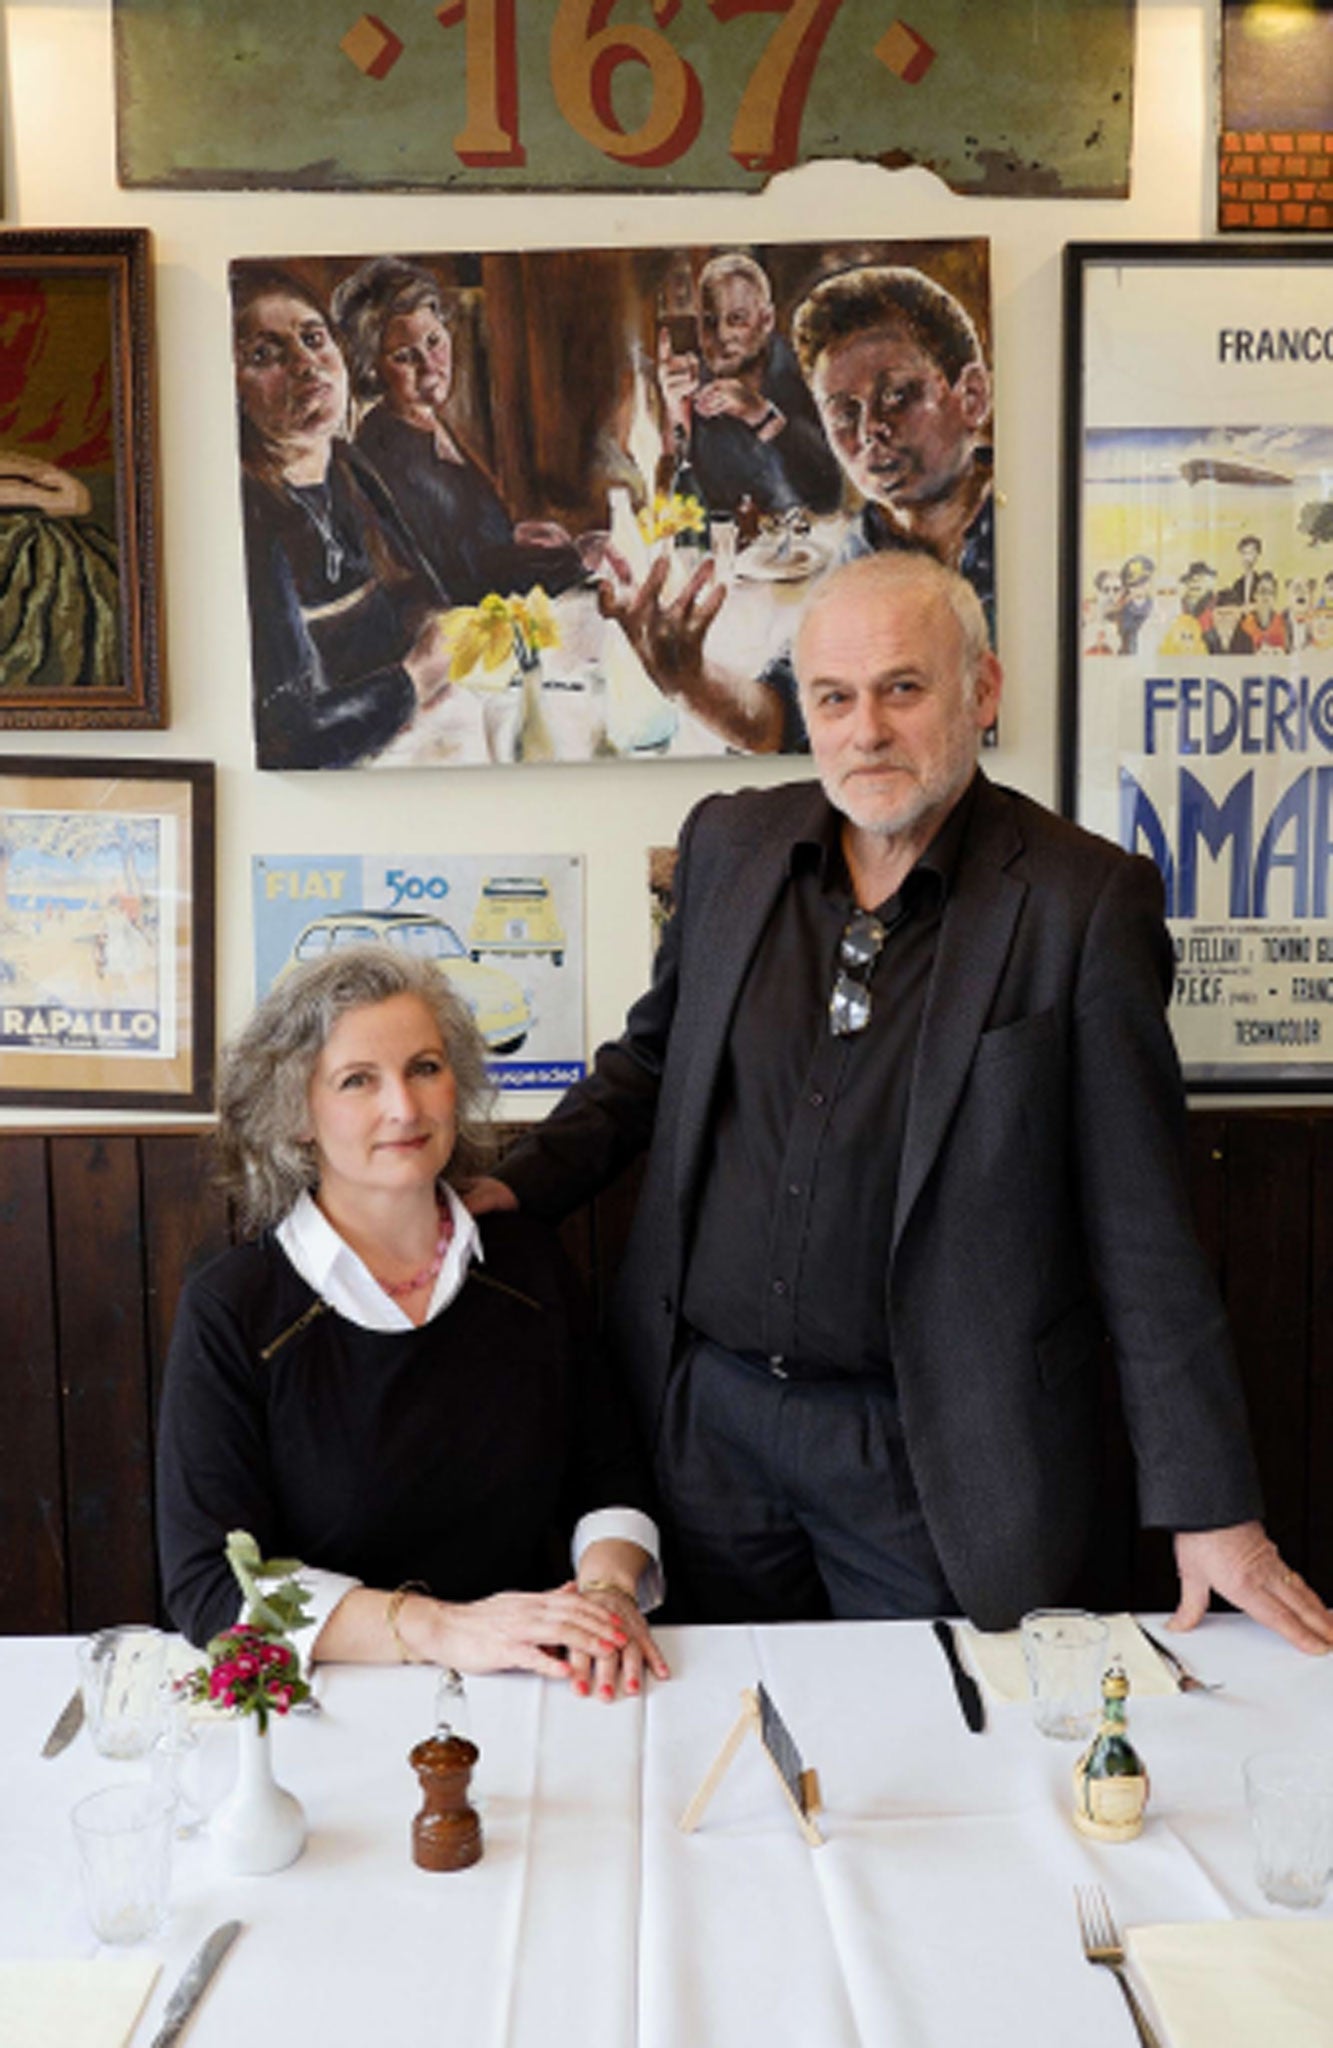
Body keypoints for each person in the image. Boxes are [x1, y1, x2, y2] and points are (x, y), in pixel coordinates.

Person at [469, 550, 1333, 1655]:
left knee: (946, 1764)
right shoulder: (729, 846)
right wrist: (510, 1186)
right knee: (714, 1740)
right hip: (705, 1427)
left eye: (902, 688)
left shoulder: (1081, 902)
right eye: (833, 696)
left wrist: (1211, 1504)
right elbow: (647, 1065)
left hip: (934, 1448)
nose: (863, 728)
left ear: (980, 691)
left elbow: (1141, 1224)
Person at [157, 946, 668, 1699]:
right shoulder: (234, 1308)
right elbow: (208, 1584)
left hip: (538, 1681)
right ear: (295, 1114)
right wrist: (439, 1627)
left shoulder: (526, 1263)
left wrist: (607, 1592)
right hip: (332, 1697)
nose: (404, 1107)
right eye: (358, 1080)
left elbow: (611, 1476)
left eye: (425, 1068)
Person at [601, 262, 994, 754]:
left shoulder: (1022, 541)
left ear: (973, 397)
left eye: (897, 395)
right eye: (844, 412)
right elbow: (786, 716)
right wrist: (688, 680)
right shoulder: (866, 544)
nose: (870, 429)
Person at [234, 267, 463, 770]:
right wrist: (413, 681)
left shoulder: (348, 464)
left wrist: (437, 628)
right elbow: (286, 736)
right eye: (264, 355)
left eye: (313, 339)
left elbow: (422, 593)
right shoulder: (250, 513)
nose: (305, 365)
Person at [331, 256, 589, 607]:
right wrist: (576, 558)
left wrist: (513, 536)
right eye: (405, 357)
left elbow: (464, 535)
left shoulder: (427, 421)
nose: (429, 366)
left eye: (434, 340)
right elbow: (464, 580)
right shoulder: (385, 449)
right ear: (372, 369)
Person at [654, 251, 842, 518]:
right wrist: (676, 411)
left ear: (766, 320)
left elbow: (828, 498)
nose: (721, 335)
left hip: (802, 549)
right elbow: (673, 511)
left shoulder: (805, 375)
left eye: (737, 319)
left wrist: (761, 414)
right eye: (709, 322)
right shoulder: (691, 380)